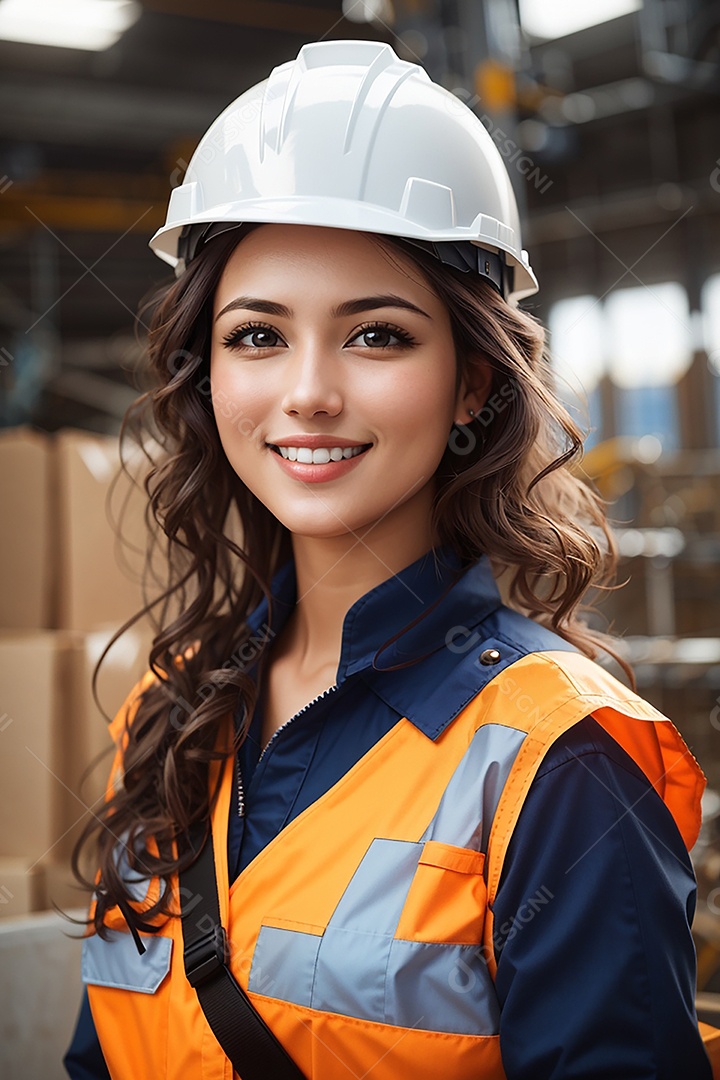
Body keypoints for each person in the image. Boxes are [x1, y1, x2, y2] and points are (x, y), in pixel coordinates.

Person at [64, 39, 714, 1080]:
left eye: (376, 336)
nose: (309, 391)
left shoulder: (562, 761)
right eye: (257, 336)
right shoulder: (166, 711)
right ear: (207, 376)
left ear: (471, 385)